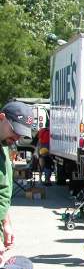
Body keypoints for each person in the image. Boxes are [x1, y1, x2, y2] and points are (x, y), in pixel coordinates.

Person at [0, 101, 34, 259]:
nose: (17, 137)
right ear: (2, 118)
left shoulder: (4, 145)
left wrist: (6, 222)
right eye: (15, 131)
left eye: (21, 134)